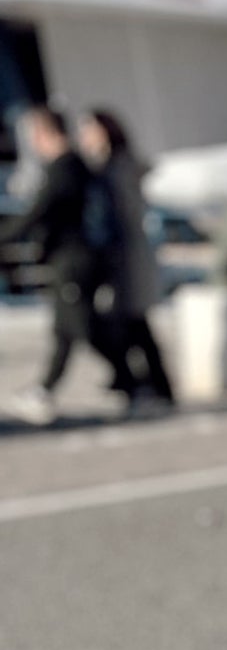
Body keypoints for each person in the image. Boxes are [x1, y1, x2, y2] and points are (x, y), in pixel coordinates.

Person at [6, 106, 136, 424]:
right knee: (65, 329)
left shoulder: (65, 168)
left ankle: (133, 379)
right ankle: (46, 390)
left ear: (43, 133)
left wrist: (5, 235)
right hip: (74, 259)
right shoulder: (72, 166)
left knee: (82, 326)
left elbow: (36, 214)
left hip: (75, 260)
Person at [76, 109, 174, 406]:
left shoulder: (117, 169)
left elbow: (123, 216)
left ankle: (147, 384)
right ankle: (148, 384)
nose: (83, 137)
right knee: (134, 324)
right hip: (123, 257)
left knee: (132, 323)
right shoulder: (109, 168)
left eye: (89, 130)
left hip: (127, 257)